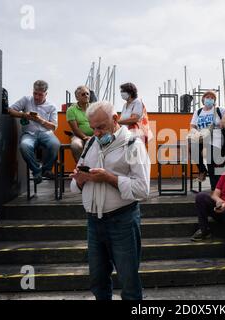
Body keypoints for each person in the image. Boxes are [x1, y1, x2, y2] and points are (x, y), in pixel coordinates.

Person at [70, 101, 150, 300]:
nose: (96, 132)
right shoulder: (90, 144)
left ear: (115, 119)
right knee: (97, 282)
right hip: (93, 222)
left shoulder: (133, 144)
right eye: (93, 127)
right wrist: (79, 181)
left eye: (101, 127)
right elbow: (74, 186)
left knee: (129, 283)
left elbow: (142, 189)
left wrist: (109, 178)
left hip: (122, 221)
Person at [191, 156, 225, 265]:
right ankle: (204, 230)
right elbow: (215, 194)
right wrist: (219, 201)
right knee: (201, 196)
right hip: (219, 208)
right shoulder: (224, 176)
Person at [8, 80, 60, 184]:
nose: (36, 97)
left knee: (55, 144)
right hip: (29, 134)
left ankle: (46, 170)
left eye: (40, 95)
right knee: (24, 146)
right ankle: (36, 171)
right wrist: (23, 115)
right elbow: (10, 110)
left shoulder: (52, 106)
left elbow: (54, 127)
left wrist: (40, 120)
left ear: (46, 94)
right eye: (35, 93)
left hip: (46, 133)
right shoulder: (26, 100)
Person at [190, 91, 225, 190]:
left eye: (212, 98)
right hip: (202, 137)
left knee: (211, 160)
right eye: (207, 97)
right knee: (192, 148)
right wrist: (195, 132)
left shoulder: (218, 110)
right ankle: (202, 171)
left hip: (215, 139)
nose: (209, 99)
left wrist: (224, 117)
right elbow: (192, 126)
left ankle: (214, 189)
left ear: (214, 101)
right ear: (203, 99)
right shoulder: (198, 112)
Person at [66, 85, 93, 162]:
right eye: (83, 94)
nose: (86, 96)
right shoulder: (71, 110)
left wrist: (95, 136)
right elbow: (75, 129)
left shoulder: (94, 108)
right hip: (78, 136)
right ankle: (80, 168)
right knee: (76, 145)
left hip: (95, 134)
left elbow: (98, 125)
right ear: (77, 97)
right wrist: (86, 137)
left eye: (87, 94)